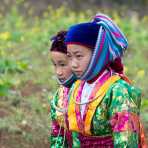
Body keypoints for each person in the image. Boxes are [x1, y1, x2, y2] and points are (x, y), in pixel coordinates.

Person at [65, 13, 146, 147]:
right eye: (69, 56)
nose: (73, 64)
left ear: (98, 54)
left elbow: (126, 141)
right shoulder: (75, 88)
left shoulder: (118, 91)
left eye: (79, 56)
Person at [49, 31, 76, 148]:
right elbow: (57, 134)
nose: (58, 72)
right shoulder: (59, 96)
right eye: (55, 65)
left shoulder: (91, 93)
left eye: (63, 64)